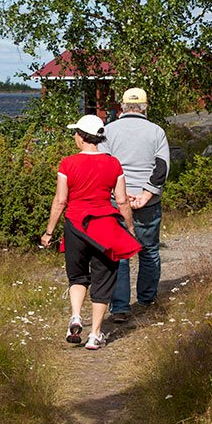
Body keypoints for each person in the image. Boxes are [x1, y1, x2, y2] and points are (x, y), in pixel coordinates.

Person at [41, 114, 139, 350]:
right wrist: (130, 228)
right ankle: (95, 334)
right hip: (105, 227)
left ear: (81, 137)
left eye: (75, 132)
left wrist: (49, 232)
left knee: (77, 277)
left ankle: (76, 316)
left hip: (75, 225)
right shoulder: (113, 163)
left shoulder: (68, 164)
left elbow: (60, 200)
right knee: (103, 280)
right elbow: (122, 201)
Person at [98, 87, 170, 323]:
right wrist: (146, 194)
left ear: (122, 106)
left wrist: (122, 195)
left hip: (117, 201)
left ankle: (119, 307)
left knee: (119, 254)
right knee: (149, 251)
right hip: (147, 202)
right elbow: (162, 167)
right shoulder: (156, 131)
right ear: (145, 107)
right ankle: (146, 300)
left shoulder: (108, 131)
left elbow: (104, 165)